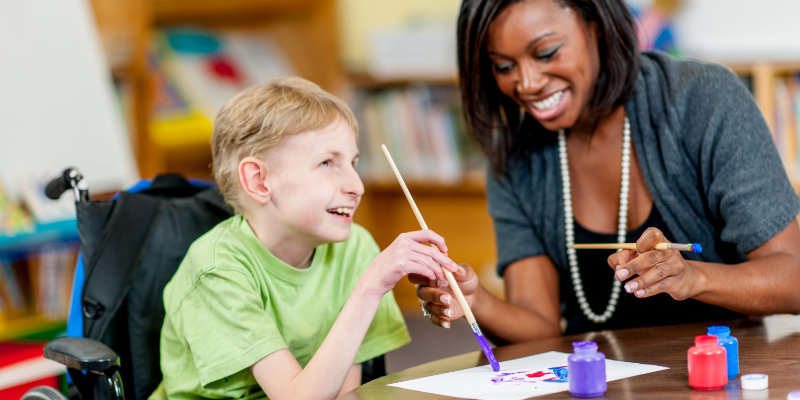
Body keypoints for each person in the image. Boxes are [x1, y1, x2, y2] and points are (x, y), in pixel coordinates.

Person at [414, 0, 800, 340]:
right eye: (503, 65)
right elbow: (539, 324)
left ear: (595, 26)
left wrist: (693, 277)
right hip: (593, 381)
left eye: (547, 52)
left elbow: (793, 277)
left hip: (720, 373)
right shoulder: (514, 152)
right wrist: (474, 299)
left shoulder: (703, 99)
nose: (527, 84)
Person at [149, 77, 459, 400]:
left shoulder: (355, 248)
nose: (357, 186)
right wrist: (372, 285)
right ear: (259, 181)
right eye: (327, 163)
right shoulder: (216, 269)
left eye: (353, 163)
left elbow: (342, 393)